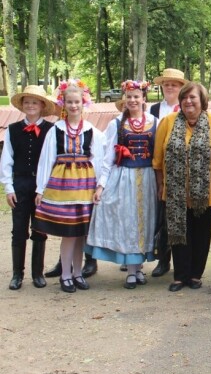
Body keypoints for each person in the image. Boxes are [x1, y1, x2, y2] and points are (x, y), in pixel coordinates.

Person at [153, 82, 211, 292]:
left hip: (205, 192)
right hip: (175, 192)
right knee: (178, 233)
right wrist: (160, 185)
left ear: (202, 100)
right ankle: (180, 275)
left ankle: (195, 275)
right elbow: (157, 159)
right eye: (184, 97)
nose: (188, 101)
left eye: (192, 97)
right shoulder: (168, 122)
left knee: (201, 233)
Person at [33, 80, 106, 293]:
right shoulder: (56, 129)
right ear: (63, 104)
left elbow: (99, 158)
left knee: (81, 233)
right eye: (70, 102)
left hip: (84, 185)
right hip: (62, 185)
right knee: (69, 233)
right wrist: (40, 188)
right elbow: (46, 159)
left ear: (84, 103)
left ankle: (77, 273)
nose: (74, 106)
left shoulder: (91, 130)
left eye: (77, 102)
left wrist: (99, 186)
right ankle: (65, 274)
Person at [85, 81, 159, 289]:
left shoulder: (155, 121)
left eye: (136, 96)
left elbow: (159, 155)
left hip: (147, 178)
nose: (133, 100)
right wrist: (101, 186)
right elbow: (107, 158)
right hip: (123, 177)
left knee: (144, 222)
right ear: (124, 100)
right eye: (129, 97)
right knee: (128, 223)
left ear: (144, 99)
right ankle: (132, 272)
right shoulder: (116, 124)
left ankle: (139, 268)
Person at [1, 86, 56, 290]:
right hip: (21, 183)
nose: (30, 106)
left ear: (42, 105)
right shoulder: (13, 130)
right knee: (18, 229)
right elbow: (7, 159)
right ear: (22, 106)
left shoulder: (51, 130)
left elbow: (52, 159)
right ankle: (17, 274)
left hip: (41, 185)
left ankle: (37, 273)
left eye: (34, 102)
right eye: (27, 102)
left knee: (40, 228)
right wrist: (9, 186)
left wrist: (46, 187)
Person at [150, 68, 188, 278]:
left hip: (184, 170)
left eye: (174, 84)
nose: (170, 87)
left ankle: (183, 260)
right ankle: (163, 259)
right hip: (161, 168)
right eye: (166, 84)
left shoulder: (187, 108)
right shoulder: (154, 110)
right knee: (163, 218)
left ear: (181, 87)